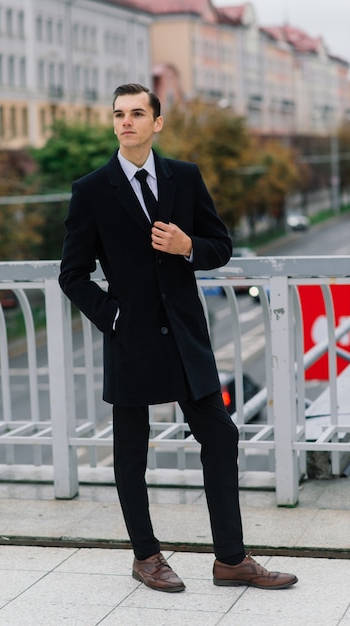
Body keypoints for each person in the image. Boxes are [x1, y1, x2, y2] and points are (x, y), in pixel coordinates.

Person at [59, 83, 298, 593]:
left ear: (156, 123)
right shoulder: (93, 189)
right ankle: (146, 556)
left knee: (221, 435)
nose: (127, 121)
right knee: (131, 454)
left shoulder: (183, 178)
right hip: (131, 339)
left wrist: (189, 245)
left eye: (137, 113)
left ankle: (231, 560)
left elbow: (221, 246)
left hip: (186, 336)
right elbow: (73, 274)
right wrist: (113, 317)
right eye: (119, 114)